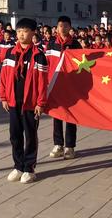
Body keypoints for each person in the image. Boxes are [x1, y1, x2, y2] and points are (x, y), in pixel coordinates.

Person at [0, 18, 48, 184]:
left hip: (30, 104)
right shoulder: (10, 53)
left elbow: (43, 82)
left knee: (30, 135)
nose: (21, 34)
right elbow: (4, 77)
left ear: (33, 33)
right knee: (14, 135)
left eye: (25, 31)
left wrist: (40, 103)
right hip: (13, 102)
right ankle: (18, 165)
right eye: (19, 31)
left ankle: (29, 167)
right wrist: (3, 97)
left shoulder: (39, 56)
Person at [46, 16, 81, 160]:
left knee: (71, 116)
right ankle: (58, 144)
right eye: (60, 25)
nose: (63, 28)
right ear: (57, 27)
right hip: (54, 83)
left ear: (70, 27)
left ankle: (70, 147)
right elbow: (47, 63)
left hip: (70, 85)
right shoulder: (51, 43)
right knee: (57, 114)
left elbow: (81, 65)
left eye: (66, 26)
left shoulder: (75, 44)